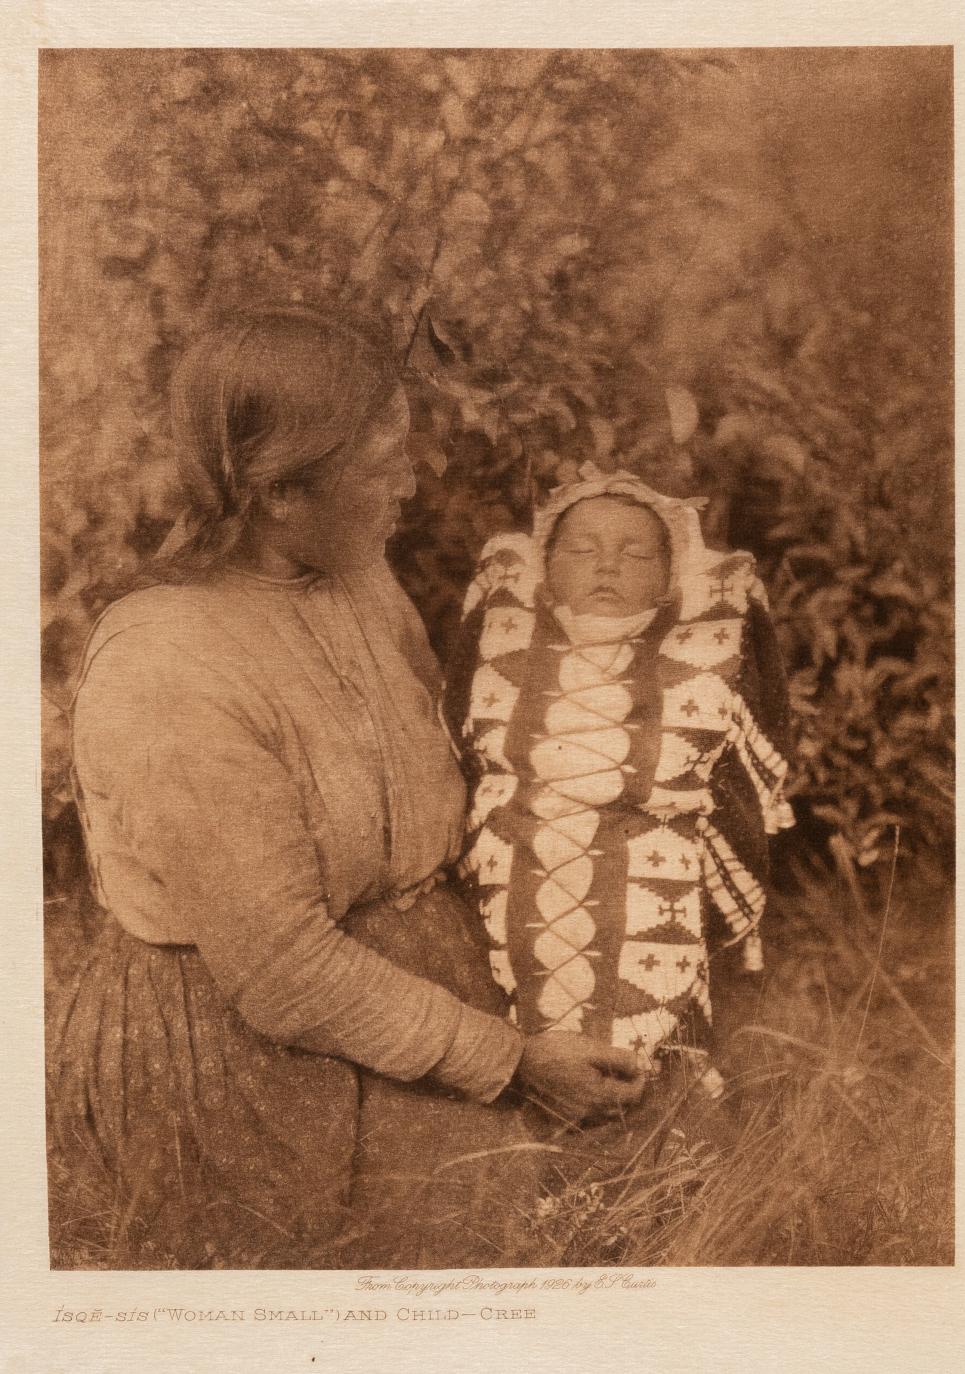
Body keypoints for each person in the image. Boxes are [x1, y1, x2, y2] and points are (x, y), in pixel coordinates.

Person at [47, 309, 645, 1271]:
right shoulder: (170, 661)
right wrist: (514, 1060)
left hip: (417, 991)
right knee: (448, 1280)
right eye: (385, 464)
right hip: (257, 1055)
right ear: (280, 491)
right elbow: (283, 973)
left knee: (638, 1180)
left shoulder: (357, 577)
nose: (414, 484)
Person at [443, 462, 795, 1162]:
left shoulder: (702, 657)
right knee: (513, 1044)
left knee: (654, 1054)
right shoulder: (500, 647)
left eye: (636, 553)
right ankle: (518, 1178)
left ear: (671, 576)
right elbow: (460, 754)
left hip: (648, 888)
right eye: (580, 550)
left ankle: (652, 1172)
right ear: (544, 568)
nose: (607, 564)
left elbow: (738, 793)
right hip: (513, 875)